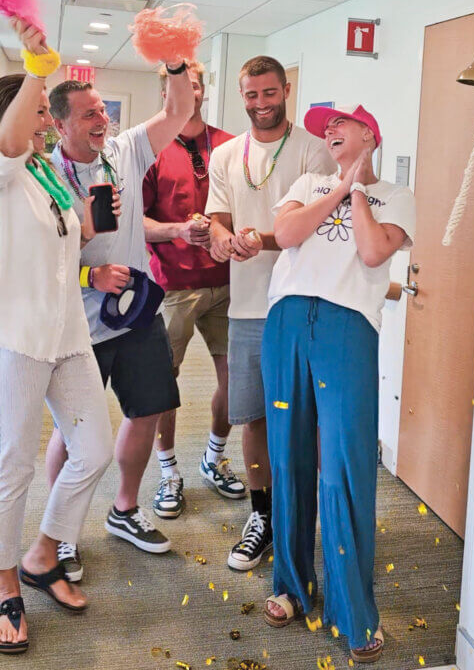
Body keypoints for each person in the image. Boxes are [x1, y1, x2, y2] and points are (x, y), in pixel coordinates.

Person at [260, 105, 416, 664]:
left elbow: (373, 252)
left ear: (369, 135)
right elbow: (286, 232)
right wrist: (339, 188)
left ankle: (354, 611)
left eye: (340, 124)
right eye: (326, 126)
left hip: (347, 328)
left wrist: (359, 190)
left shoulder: (397, 197)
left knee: (345, 465)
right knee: (288, 457)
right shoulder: (309, 182)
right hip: (287, 321)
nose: (329, 130)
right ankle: (291, 586)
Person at [45, 55, 195, 580]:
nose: (101, 119)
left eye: (102, 110)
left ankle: (124, 510)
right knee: (73, 431)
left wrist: (175, 64)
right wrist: (91, 276)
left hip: (135, 315)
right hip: (75, 325)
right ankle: (60, 532)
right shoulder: (42, 176)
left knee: (146, 410)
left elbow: (178, 110)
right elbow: (34, 261)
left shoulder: (125, 149)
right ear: (59, 124)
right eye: (88, 114)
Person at [0, 20, 113, 656]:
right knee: (11, 465)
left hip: (68, 334)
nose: (48, 121)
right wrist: (37, 66)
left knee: (93, 449)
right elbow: (10, 138)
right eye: (41, 111)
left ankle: (44, 552)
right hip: (16, 338)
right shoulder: (5, 168)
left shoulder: (44, 171)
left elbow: (65, 245)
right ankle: (3, 582)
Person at [207, 56, 335, 571]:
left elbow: (316, 228)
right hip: (246, 308)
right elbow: (218, 217)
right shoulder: (225, 154)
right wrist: (221, 238)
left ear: (285, 90)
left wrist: (259, 239)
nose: (261, 103)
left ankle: (301, 517)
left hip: (301, 303)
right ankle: (262, 516)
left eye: (269, 93)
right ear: (242, 96)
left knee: (306, 419)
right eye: (251, 95)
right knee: (253, 417)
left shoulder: (314, 151)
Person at [143, 61, 245, 519]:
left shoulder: (230, 144)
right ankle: (168, 472)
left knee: (236, 381)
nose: (191, 91)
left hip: (229, 282)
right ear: (166, 91)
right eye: (181, 84)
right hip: (174, 286)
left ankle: (213, 458)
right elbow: (134, 221)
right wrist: (177, 231)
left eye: (197, 84)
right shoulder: (149, 147)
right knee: (164, 384)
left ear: (203, 91)